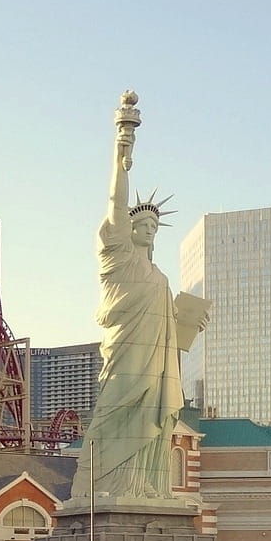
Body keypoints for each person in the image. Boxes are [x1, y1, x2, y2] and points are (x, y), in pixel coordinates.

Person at [71, 92, 210, 502]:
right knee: (116, 412)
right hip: (127, 357)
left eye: (154, 226)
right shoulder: (116, 257)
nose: (149, 229)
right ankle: (98, 487)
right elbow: (116, 202)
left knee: (155, 420)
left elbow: (171, 329)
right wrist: (122, 150)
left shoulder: (160, 276)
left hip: (158, 362)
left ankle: (145, 486)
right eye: (142, 223)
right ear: (126, 230)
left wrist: (188, 324)